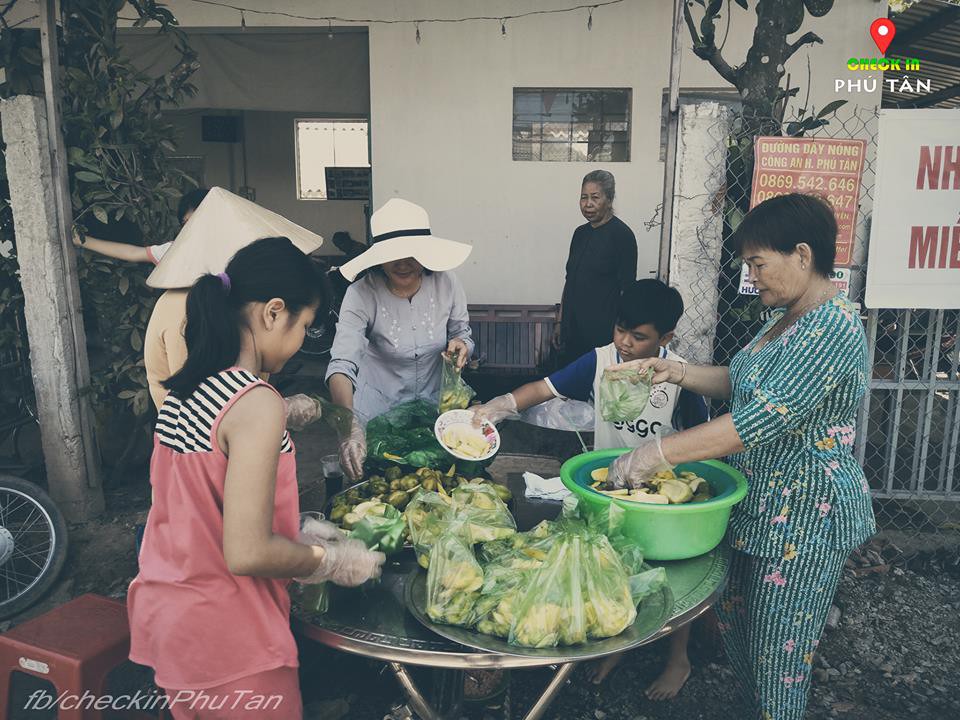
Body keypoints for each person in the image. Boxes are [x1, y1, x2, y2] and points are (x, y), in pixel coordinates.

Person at [606, 194, 876, 719]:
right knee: (739, 638)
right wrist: (677, 371)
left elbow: (758, 420)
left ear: (802, 254)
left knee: (780, 660)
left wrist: (651, 456)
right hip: (756, 507)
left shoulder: (832, 327)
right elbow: (743, 381)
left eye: (758, 263)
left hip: (803, 518)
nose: (753, 278)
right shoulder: (784, 318)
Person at [127, 237, 385, 720]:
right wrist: (330, 559)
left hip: (170, 623)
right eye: (303, 326)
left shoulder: (187, 387)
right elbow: (246, 552)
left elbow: (199, 505)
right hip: (230, 635)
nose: (296, 345)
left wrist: (296, 530)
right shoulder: (256, 400)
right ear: (272, 312)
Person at [472, 279, 707, 699]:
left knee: (671, 573)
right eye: (620, 330)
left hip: (659, 495)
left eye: (639, 336)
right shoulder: (599, 361)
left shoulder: (680, 376)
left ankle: (678, 657)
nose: (625, 342)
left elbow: (702, 438)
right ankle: (616, 642)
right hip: (605, 487)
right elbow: (542, 388)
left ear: (665, 338)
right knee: (606, 567)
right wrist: (500, 406)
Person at [326, 198, 474, 481]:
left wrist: (461, 345)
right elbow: (342, 363)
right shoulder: (361, 294)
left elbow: (461, 332)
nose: (403, 263)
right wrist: (349, 428)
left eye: (412, 254)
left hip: (433, 412)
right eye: (393, 254)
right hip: (379, 415)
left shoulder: (448, 283)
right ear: (379, 257)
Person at [555, 170, 638, 365]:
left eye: (595, 197)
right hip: (571, 332)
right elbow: (570, 281)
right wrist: (560, 322)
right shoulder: (579, 234)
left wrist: (622, 334)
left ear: (609, 200)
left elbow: (628, 290)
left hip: (601, 335)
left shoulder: (622, 235)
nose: (588, 204)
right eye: (584, 197)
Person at [73, 188, 209, 265]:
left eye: (196, 219)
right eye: (185, 223)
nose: (190, 227)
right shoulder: (179, 251)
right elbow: (132, 253)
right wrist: (82, 240)